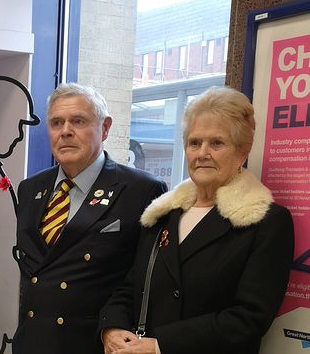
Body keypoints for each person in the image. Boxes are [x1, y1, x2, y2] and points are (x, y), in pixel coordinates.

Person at [99, 86, 295, 354]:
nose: (202, 153)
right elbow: (132, 287)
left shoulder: (267, 222)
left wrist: (159, 346)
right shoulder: (162, 214)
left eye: (216, 143)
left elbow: (249, 319)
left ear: (242, 152)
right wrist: (112, 328)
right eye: (194, 143)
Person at [13, 83, 167, 354]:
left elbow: (144, 279)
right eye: (56, 123)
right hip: (32, 342)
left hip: (93, 343)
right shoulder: (30, 189)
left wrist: (114, 325)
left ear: (105, 128)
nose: (66, 131)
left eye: (78, 121)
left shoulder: (141, 190)